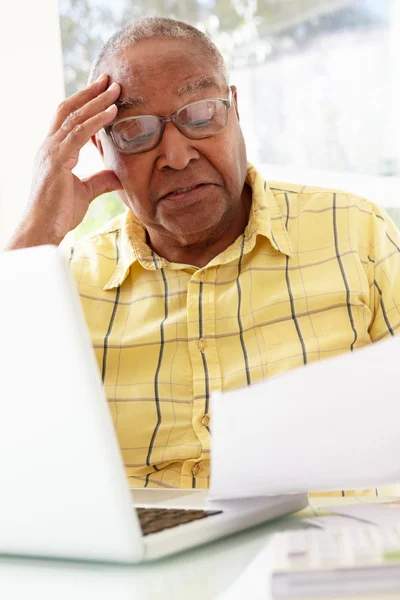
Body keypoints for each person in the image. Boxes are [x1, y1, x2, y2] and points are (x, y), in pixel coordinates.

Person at [7, 17, 400, 495]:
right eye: (133, 129)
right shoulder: (60, 281)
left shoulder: (355, 232)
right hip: (141, 562)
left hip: (323, 552)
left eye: (200, 113)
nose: (176, 154)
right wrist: (36, 229)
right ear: (99, 146)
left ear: (235, 110)